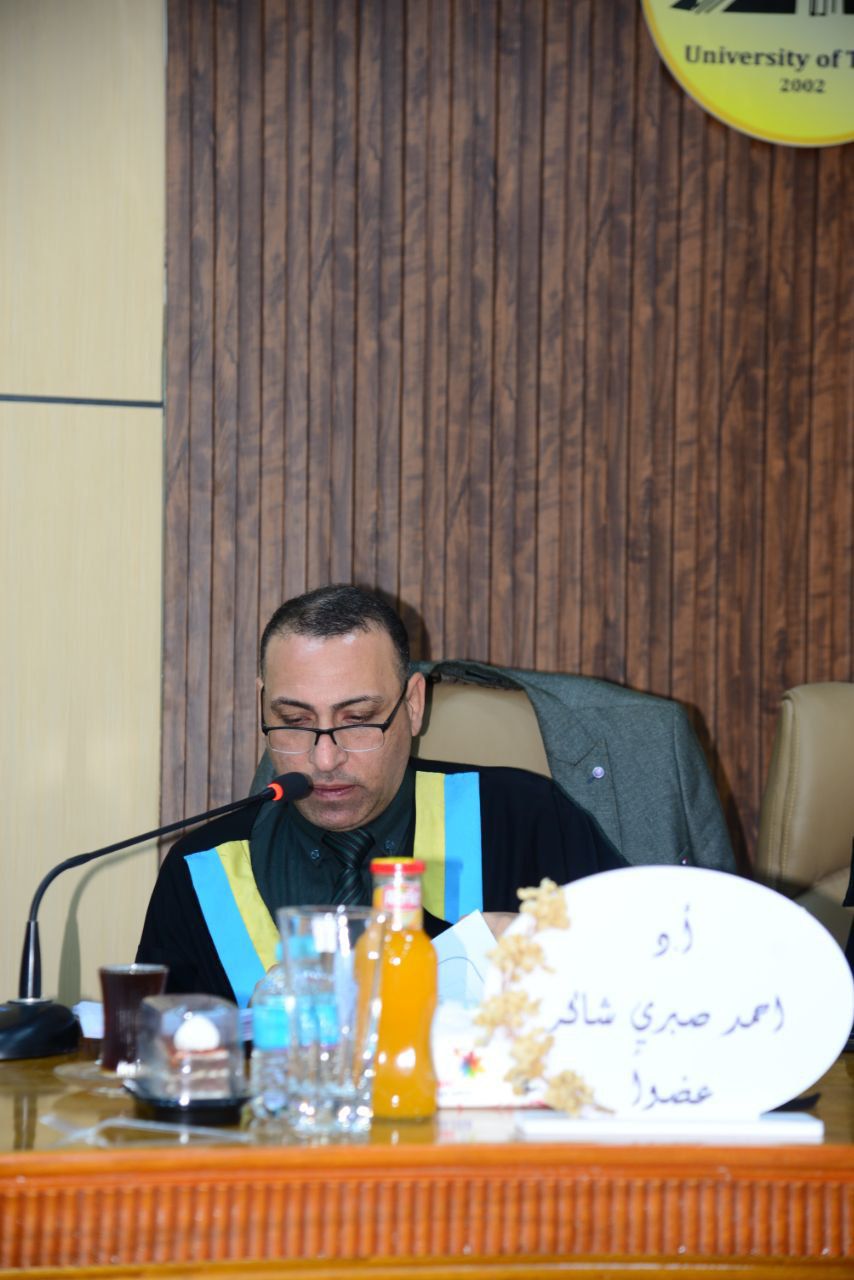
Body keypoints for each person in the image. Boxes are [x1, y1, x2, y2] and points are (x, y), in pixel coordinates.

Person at [137, 584, 627, 1005]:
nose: (325, 759)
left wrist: (552, 958)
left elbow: (640, 981)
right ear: (263, 706)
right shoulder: (199, 872)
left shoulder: (526, 821)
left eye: (357, 720)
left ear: (413, 705)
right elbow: (156, 1058)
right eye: (295, 721)